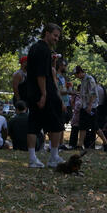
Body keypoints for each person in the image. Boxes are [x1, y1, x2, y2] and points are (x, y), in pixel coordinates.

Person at [19, 23, 65, 168]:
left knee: (33, 124)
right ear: (47, 33)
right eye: (55, 35)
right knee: (57, 123)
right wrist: (44, 94)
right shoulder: (44, 50)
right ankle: (54, 156)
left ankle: (33, 159)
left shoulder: (34, 48)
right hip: (44, 92)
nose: (56, 39)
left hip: (32, 92)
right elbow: (41, 75)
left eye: (58, 36)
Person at [73, 65, 99, 150]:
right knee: (82, 126)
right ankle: (79, 145)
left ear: (80, 72)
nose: (76, 77)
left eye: (76, 75)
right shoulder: (83, 80)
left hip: (91, 107)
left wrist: (90, 105)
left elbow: (93, 93)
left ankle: (106, 143)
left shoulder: (89, 79)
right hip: (84, 106)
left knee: (95, 127)